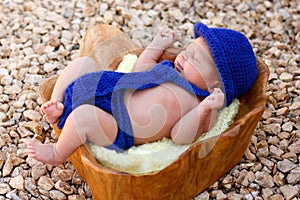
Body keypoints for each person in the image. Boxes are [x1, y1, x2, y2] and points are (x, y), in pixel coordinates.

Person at [25, 22, 258, 166]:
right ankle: (57, 105)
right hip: (111, 87)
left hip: (118, 127)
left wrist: (206, 107)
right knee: (82, 64)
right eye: (187, 50)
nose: (183, 56)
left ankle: (57, 152)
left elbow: (180, 136)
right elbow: (140, 69)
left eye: (195, 59)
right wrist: (156, 44)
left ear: (216, 86)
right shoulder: (169, 69)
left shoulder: (201, 106)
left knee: (83, 117)